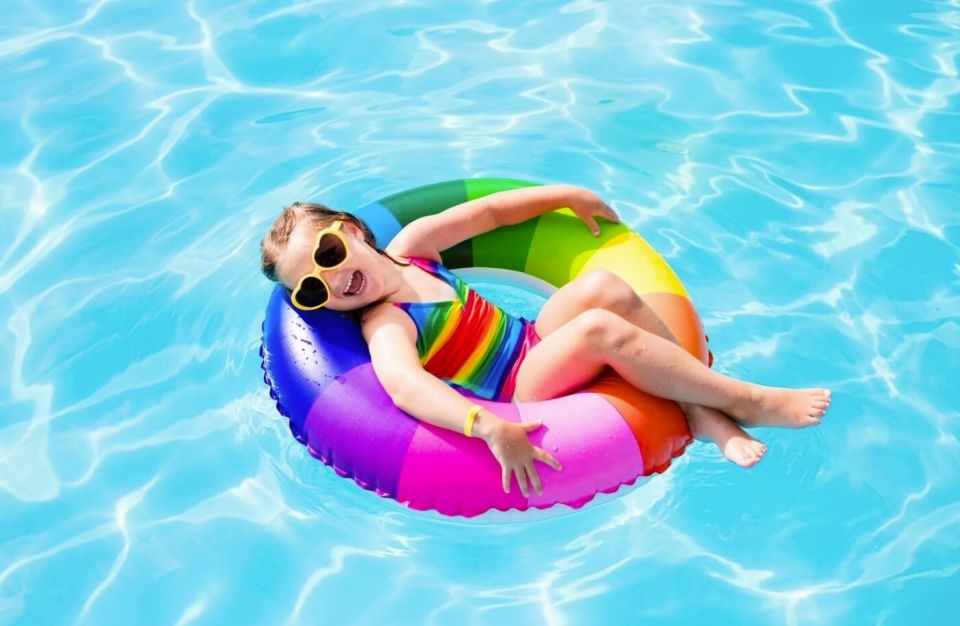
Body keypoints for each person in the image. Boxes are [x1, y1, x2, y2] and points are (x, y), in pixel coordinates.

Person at [260, 185, 831, 498]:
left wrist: (565, 195)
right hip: (519, 386)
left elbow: (486, 212)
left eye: (329, 254)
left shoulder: (414, 247)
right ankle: (746, 400)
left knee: (603, 285)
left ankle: (696, 409)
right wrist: (486, 424)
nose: (332, 280)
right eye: (312, 290)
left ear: (353, 230)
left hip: (532, 338)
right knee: (596, 329)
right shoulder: (386, 323)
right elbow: (405, 387)